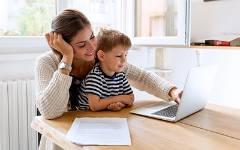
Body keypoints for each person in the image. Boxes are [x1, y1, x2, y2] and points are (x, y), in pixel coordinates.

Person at [35, 9, 182, 150]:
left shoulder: (100, 56)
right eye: (81, 45)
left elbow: (141, 77)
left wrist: (172, 91)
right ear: (63, 46)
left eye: (92, 37)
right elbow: (49, 111)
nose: (92, 47)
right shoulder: (47, 63)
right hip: (62, 141)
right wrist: (67, 60)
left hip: (100, 134)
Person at [74, 28, 134, 111]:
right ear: (102, 56)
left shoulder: (121, 75)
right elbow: (95, 106)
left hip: (105, 116)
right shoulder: (94, 77)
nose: (124, 60)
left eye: (126, 55)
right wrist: (120, 98)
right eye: (119, 56)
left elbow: (130, 99)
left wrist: (119, 104)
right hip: (86, 117)